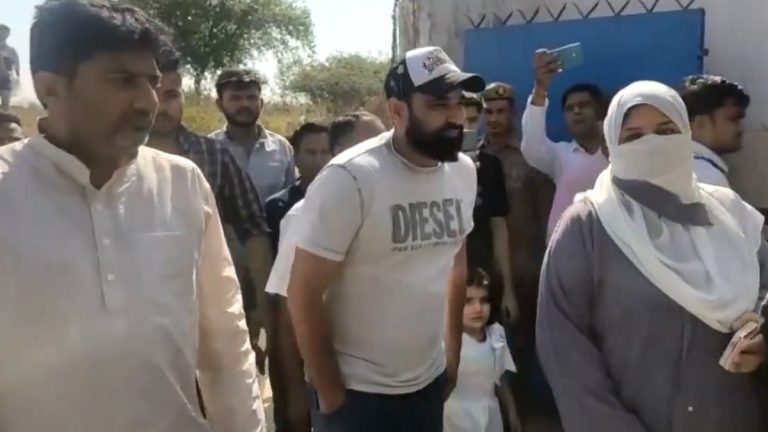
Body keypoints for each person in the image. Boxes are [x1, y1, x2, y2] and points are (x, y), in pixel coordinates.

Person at [0, 2, 265, 432]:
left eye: (153, 81)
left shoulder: (182, 183)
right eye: (121, 80)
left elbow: (226, 345)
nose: (148, 101)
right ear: (50, 87)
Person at [538, 81, 767, 432]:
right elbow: (566, 353)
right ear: (612, 145)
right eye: (633, 137)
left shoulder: (730, 215)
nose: (652, 146)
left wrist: (762, 340)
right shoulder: (587, 228)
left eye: (666, 131)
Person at [286, 46, 483, 432]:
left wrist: (452, 358)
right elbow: (303, 290)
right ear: (397, 111)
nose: (456, 117)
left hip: (427, 384)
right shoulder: (352, 178)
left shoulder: (462, 172)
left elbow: (455, 268)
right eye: (440, 104)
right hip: (356, 397)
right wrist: (331, 394)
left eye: (460, 104)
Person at [146, 41, 273, 370]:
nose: (163, 106)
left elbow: (253, 227)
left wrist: (261, 304)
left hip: (209, 311)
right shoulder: (111, 159)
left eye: (172, 95)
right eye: (154, 93)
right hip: (138, 317)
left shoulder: (211, 155)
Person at [265, 112, 387, 432]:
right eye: (374, 146)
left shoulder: (391, 203)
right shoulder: (304, 215)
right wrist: (297, 395)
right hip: (344, 391)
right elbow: (288, 312)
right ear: (343, 154)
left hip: (402, 387)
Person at [480, 81, 555, 420]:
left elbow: (548, 217)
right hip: (483, 275)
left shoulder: (529, 158)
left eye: (500, 111)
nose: (493, 118)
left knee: (526, 351)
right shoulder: (473, 156)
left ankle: (530, 417)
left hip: (527, 271)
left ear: (513, 114)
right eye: (488, 112)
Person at [210, 68, 295, 352]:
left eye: (251, 97)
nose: (244, 104)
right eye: (236, 98)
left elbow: (288, 204)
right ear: (220, 103)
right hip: (225, 258)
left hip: (272, 257)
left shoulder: (281, 149)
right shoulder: (209, 150)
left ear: (261, 102)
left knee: (279, 338)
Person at [522, 50, 609, 241]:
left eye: (583, 105)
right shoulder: (561, 154)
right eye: (570, 109)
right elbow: (531, 147)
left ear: (600, 110)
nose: (576, 111)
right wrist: (540, 87)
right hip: (565, 248)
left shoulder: (620, 152)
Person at [462, 88, 516, 323]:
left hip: (482, 275)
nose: (464, 127)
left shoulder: (490, 165)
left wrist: (508, 290)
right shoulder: (431, 166)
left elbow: (499, 228)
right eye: (459, 120)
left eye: (472, 120)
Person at [443, 267, 521, 432]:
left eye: (483, 300)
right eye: (468, 301)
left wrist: (511, 412)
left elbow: (501, 379)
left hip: (489, 416)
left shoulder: (496, 334)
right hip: (455, 419)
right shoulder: (446, 342)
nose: (478, 308)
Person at [265, 122, 331, 253]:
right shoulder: (278, 206)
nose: (319, 160)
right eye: (311, 153)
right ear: (296, 157)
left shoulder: (350, 199)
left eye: (325, 152)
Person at [680, 74, 751, 188]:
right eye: (733, 119)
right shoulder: (707, 177)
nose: (741, 129)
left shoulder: (677, 165)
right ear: (701, 123)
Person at [0, 24, 19, 111]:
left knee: (5, 107)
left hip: (5, 79)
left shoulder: (11, 50)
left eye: (5, 32)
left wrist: (18, 77)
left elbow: (17, 65)